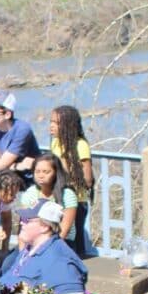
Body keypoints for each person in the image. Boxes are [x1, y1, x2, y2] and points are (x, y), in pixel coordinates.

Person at [0, 200, 87, 294]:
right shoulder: (29, 249)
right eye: (22, 219)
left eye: (26, 220)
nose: (21, 223)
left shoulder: (59, 261)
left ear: (45, 227)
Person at [49, 105, 96, 257]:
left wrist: (65, 170)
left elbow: (87, 179)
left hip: (76, 200)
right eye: (51, 122)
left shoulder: (80, 145)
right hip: (58, 197)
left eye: (56, 123)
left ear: (68, 126)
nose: (51, 126)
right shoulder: (55, 142)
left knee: (75, 241)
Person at [19, 153, 78, 245]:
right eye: (37, 171)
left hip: (60, 242)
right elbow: (24, 225)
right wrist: (22, 250)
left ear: (56, 173)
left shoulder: (67, 194)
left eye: (46, 172)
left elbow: (64, 230)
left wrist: (45, 248)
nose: (41, 175)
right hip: (33, 239)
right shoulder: (30, 193)